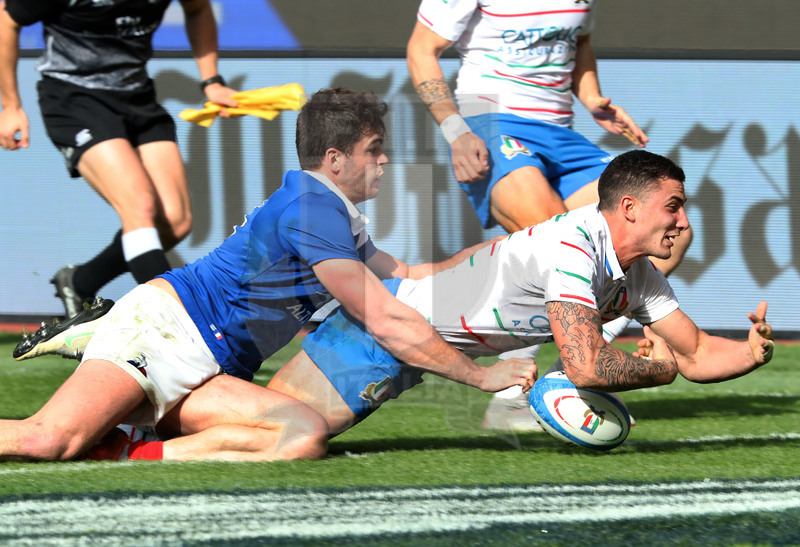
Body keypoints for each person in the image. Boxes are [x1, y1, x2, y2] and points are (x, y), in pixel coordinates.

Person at [25, 150, 774, 458]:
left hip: (419, 333)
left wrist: (751, 353)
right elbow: (583, 361)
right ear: (631, 208)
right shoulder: (577, 248)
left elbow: (699, 353)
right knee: (289, 435)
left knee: (274, 431)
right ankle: (124, 372)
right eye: (674, 206)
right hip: (386, 334)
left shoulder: (635, 272)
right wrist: (654, 371)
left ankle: (123, 407)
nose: (683, 220)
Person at [0, 88, 536, 463]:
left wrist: (503, 250)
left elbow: (412, 274)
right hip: (167, 335)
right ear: (335, 158)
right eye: (374, 150)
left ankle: (129, 452)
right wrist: (480, 375)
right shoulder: (313, 210)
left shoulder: (331, 211)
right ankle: (110, 337)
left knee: (301, 435)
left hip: (211, 365)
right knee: (48, 441)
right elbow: (387, 317)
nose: (385, 161)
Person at [406, 0, 694, 429]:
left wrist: (592, 97)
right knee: (555, 239)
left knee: (670, 233)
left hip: (560, 134)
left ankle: (568, 377)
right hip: (491, 121)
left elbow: (579, 42)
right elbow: (421, 49)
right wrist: (456, 130)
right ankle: (511, 399)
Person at [0, 0, 238, 319]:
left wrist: (211, 81)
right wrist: (11, 105)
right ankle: (177, 323)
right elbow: (7, 21)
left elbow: (198, 8)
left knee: (176, 222)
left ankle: (80, 281)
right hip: (73, 99)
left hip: (137, 97)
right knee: (139, 206)